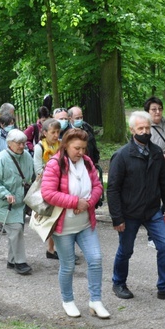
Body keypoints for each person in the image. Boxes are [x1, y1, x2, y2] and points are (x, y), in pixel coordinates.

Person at [107, 111, 165, 301]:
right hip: (129, 212)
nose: (145, 131)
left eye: (147, 128)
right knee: (126, 250)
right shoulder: (122, 156)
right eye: (141, 128)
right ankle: (119, 283)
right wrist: (117, 217)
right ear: (132, 130)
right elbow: (113, 189)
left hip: (152, 211)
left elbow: (163, 181)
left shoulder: (156, 152)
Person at [41, 128, 110, 318]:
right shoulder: (55, 164)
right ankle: (68, 300)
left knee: (95, 260)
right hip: (64, 227)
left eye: (83, 148)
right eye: (76, 148)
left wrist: (87, 202)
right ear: (66, 146)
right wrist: (74, 202)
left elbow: (97, 186)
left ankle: (95, 301)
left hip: (85, 223)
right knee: (68, 265)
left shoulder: (87, 162)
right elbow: (48, 193)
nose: (81, 152)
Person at [0, 129, 34, 275]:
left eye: (23, 143)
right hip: (3, 204)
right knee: (16, 229)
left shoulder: (26, 156)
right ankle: (20, 263)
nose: (22, 146)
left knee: (16, 232)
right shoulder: (0, 159)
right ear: (9, 144)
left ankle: (11, 261)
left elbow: (31, 175)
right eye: (18, 143)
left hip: (20, 202)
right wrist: (5, 194)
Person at [33, 118, 61, 259]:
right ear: (44, 133)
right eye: (53, 132)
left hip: (61, 186)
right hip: (48, 187)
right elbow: (38, 170)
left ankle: (53, 248)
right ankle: (51, 248)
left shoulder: (61, 145)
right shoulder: (40, 148)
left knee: (59, 219)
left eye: (58, 132)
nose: (56, 135)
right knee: (51, 219)